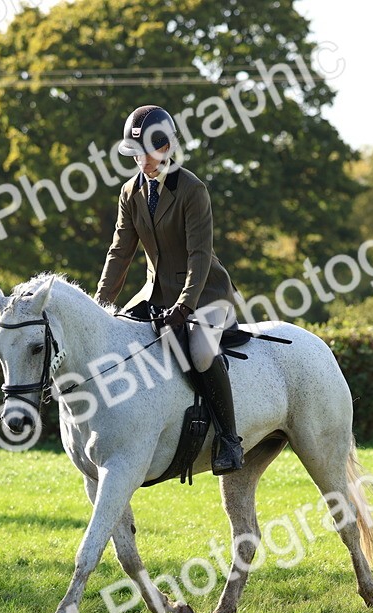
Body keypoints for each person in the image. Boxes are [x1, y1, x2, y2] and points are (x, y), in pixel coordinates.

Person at [93, 104, 244, 474]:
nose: (141, 160)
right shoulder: (130, 192)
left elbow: (199, 255)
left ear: (166, 148)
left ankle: (229, 439)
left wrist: (185, 305)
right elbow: (120, 251)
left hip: (204, 294)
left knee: (200, 352)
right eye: (136, 153)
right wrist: (100, 303)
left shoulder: (193, 190)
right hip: (154, 293)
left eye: (148, 151)